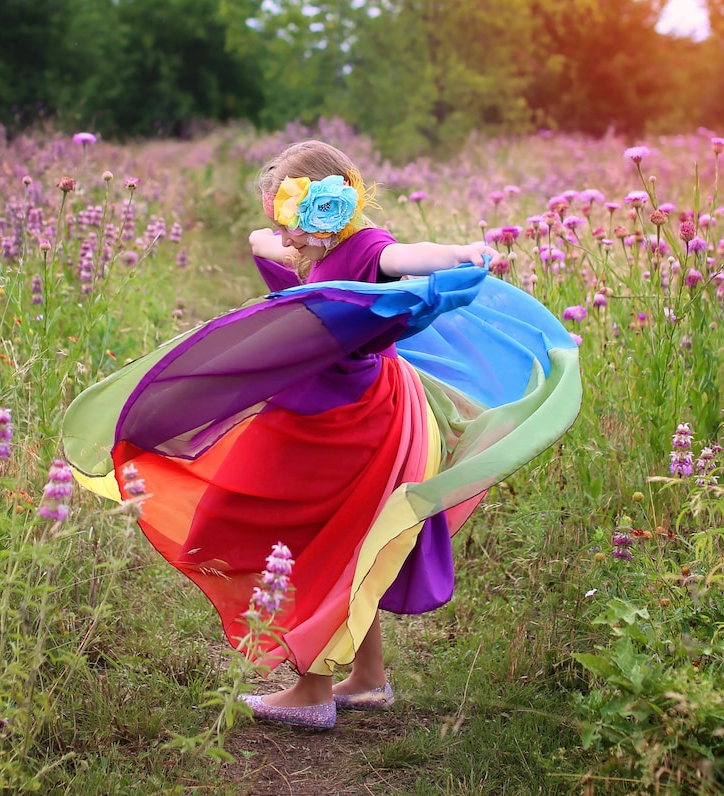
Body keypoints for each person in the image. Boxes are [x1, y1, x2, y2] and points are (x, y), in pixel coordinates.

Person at [62, 140, 582, 732]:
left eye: (291, 215)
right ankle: (368, 677)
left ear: (330, 205)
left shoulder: (366, 248)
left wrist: (460, 251)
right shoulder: (301, 250)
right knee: (346, 538)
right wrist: (278, 237)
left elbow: (408, 255)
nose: (282, 232)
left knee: (300, 536)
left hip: (348, 421)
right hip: (322, 408)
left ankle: (311, 692)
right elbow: (262, 244)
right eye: (278, 215)